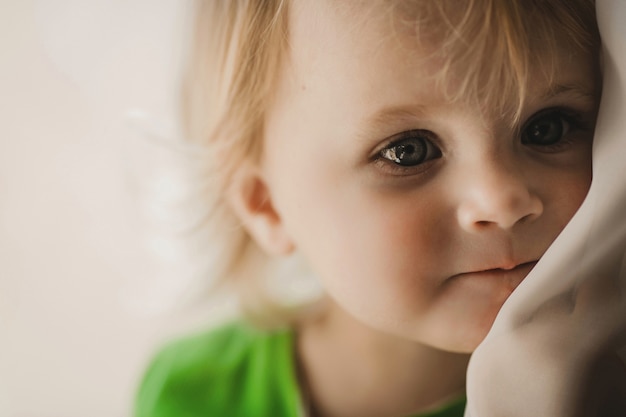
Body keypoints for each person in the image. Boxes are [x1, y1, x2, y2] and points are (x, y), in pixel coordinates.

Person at [134, 1, 604, 416]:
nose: (503, 201)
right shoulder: (194, 394)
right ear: (267, 206)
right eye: (409, 151)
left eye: (547, 128)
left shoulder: (597, 391)